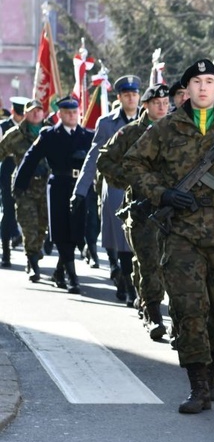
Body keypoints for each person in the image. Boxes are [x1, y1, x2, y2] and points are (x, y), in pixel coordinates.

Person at [123, 58, 214, 413]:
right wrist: (162, 193)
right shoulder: (167, 128)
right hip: (181, 233)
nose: (202, 87)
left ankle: (213, 368)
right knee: (187, 308)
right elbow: (132, 163)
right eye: (196, 81)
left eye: (209, 80)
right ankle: (197, 383)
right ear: (186, 90)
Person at [97, 83, 171, 340]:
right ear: (146, 106)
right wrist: (130, 179)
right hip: (143, 210)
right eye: (157, 103)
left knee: (173, 266)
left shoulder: (179, 132)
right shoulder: (130, 133)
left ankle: (180, 321)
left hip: (173, 209)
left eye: (165, 103)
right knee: (150, 264)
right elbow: (103, 159)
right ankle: (154, 315)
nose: (162, 107)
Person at [13, 96, 93, 293]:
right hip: (58, 185)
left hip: (80, 187)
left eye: (74, 112)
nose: (72, 116)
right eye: (67, 112)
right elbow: (30, 159)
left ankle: (60, 270)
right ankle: (72, 277)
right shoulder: (50, 135)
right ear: (59, 114)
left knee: (76, 230)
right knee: (60, 230)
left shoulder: (87, 136)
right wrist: (19, 185)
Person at [74, 75, 142, 305]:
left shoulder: (151, 120)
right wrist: (80, 190)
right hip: (116, 186)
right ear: (120, 97)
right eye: (126, 95)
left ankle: (135, 282)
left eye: (134, 94)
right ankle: (125, 279)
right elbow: (93, 158)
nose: (131, 98)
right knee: (122, 238)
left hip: (143, 187)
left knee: (142, 239)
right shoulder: (107, 123)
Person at [0, 100, 48, 281]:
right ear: (25, 114)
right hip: (24, 188)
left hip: (46, 187)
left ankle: (35, 251)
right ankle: (32, 261)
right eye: (32, 111)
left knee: (42, 226)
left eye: (39, 111)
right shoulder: (15, 135)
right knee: (29, 226)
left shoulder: (50, 133)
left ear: (43, 113)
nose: (36, 114)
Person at [0, 97, 27, 266]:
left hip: (27, 169)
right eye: (19, 114)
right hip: (9, 168)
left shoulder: (30, 127)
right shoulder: (3, 127)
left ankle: (30, 250)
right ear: (13, 112)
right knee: (9, 210)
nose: (21, 117)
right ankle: (6, 251)